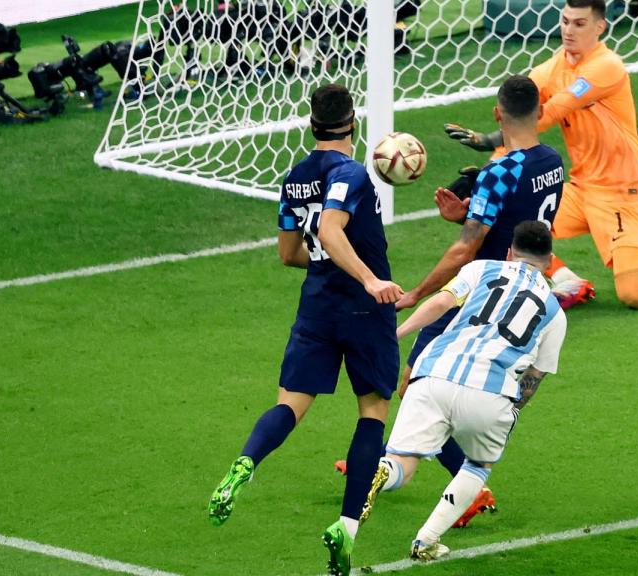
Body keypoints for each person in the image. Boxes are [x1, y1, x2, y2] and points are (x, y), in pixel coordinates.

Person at [335, 74, 565, 529]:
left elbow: (465, 250)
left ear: (497, 113)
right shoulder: (552, 161)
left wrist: (416, 293)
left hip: (480, 291)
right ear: (539, 113)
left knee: (417, 383)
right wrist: (468, 214)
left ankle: (456, 482)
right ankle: (394, 459)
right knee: (422, 383)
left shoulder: (500, 172)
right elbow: (515, 225)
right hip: (516, 288)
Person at [206, 83, 402, 576]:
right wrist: (369, 279)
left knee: (289, 405)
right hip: (365, 309)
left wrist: (326, 264)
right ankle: (347, 527)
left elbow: (289, 253)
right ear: (353, 124)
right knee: (373, 411)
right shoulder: (352, 173)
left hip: (316, 307)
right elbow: (332, 230)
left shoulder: (294, 178)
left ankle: (247, 461)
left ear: (312, 125)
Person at [443, 0, 638, 310]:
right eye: (565, 21)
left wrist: (489, 139)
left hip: (623, 194)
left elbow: (555, 109)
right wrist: (491, 173)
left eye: (579, 24)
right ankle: (567, 280)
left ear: (599, 27)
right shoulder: (550, 70)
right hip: (581, 189)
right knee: (500, 214)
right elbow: (518, 117)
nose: (569, 30)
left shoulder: (607, 66)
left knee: (637, 294)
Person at [363, 220, 567, 560]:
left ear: (509, 253)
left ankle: (385, 471)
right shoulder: (555, 313)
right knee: (477, 465)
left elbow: (440, 303)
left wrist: (395, 335)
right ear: (549, 262)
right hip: (490, 393)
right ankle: (425, 541)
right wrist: (515, 409)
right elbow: (536, 374)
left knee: (402, 462)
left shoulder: (481, 268)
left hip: (433, 374)